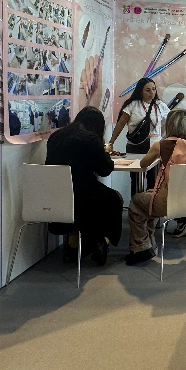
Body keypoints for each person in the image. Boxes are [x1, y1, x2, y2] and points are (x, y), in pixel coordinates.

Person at [124, 109, 186, 266]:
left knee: (137, 202)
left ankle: (141, 247)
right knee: (149, 197)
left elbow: (143, 164)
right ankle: (148, 244)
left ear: (170, 124)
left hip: (170, 203)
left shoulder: (161, 145)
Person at [45, 106, 123, 265]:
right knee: (115, 199)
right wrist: (105, 152)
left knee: (93, 197)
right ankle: (102, 240)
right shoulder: (91, 139)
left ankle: (75, 245)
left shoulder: (56, 136)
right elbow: (104, 170)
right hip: (84, 198)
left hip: (55, 197)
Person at [106, 77, 170, 193]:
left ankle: (149, 203)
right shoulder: (132, 105)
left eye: (154, 89)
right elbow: (120, 124)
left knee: (153, 181)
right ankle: (136, 202)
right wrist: (111, 142)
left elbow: (169, 121)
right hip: (135, 146)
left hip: (154, 147)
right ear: (141, 91)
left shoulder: (160, 105)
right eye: (148, 90)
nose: (152, 93)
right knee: (135, 180)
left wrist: (162, 135)